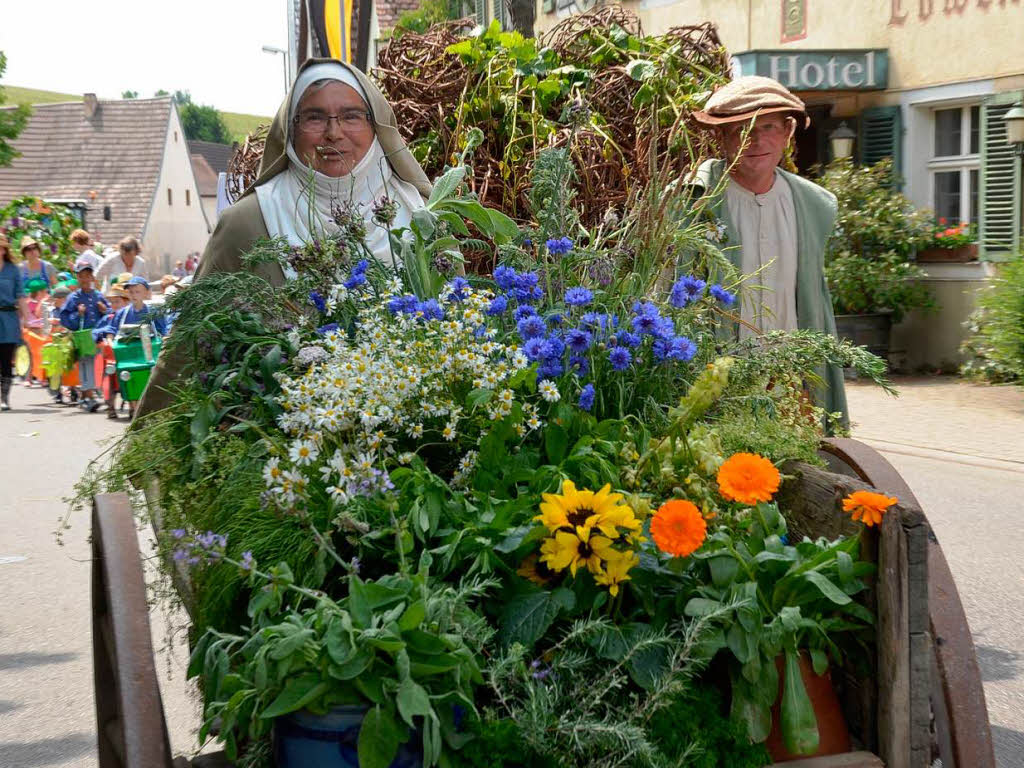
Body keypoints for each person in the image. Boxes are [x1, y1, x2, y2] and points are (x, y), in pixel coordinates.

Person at [136, 57, 432, 419]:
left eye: (352, 116)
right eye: (314, 117)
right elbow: (191, 342)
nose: (333, 132)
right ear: (290, 130)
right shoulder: (248, 222)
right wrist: (148, 450)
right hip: (278, 454)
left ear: (376, 128)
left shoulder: (422, 219)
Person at [689, 75, 847, 429]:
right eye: (740, 129)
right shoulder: (694, 201)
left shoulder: (813, 205)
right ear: (721, 137)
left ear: (788, 132)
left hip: (791, 379)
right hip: (718, 381)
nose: (755, 140)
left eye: (768, 127)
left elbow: (813, 299)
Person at [59, 259, 109, 411]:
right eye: (82, 276)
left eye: (88, 275)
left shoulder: (98, 296)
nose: (85, 279)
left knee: (95, 365)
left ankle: (87, 396)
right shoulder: (73, 298)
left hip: (97, 337)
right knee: (85, 365)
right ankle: (88, 396)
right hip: (82, 338)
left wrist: (104, 310)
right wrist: (77, 314)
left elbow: (110, 315)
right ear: (77, 278)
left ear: (92, 278)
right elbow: (64, 318)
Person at [0, 235, 29, 410]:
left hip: (9, 318)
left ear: (4, 250)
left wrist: (27, 319)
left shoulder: (13, 270)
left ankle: (4, 398)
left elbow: (20, 296)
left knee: (5, 360)